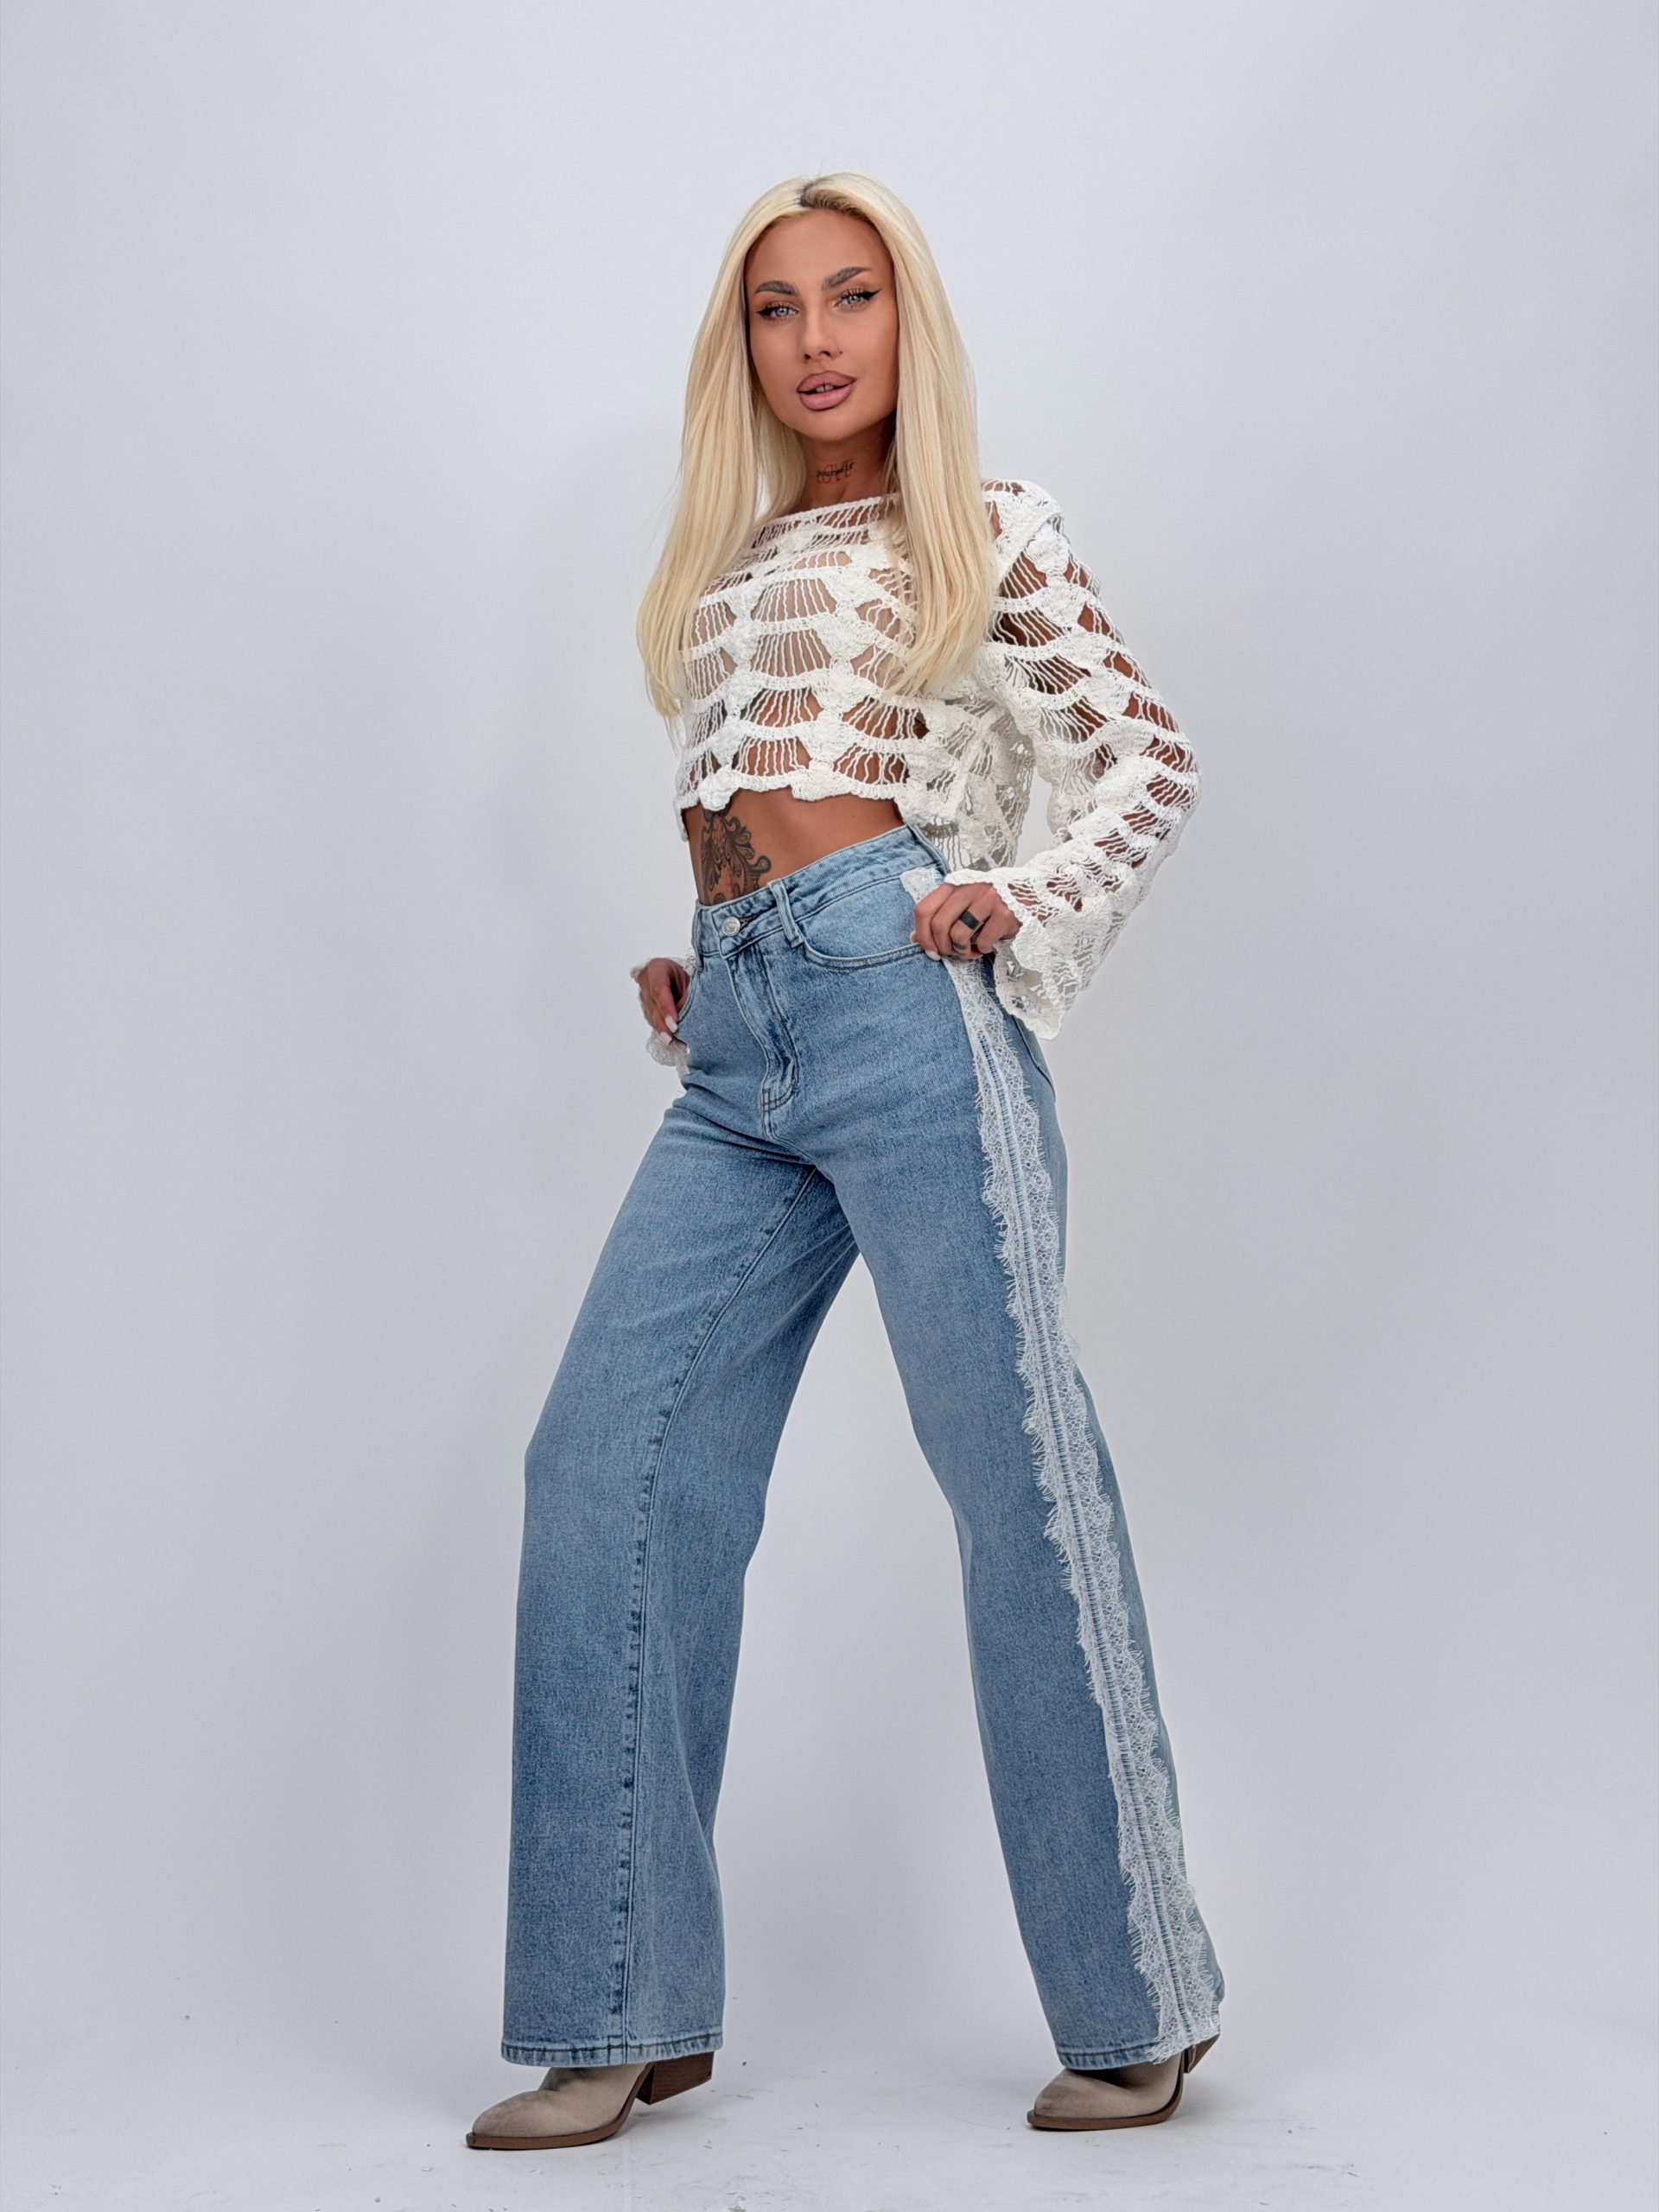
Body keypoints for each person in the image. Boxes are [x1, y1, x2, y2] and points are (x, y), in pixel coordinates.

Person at [467, 169, 1224, 2154]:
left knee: (1016, 1477)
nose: (816, 339)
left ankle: (1140, 1993)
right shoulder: (721, 571)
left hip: (909, 1008)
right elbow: (748, 815)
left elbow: (1147, 759)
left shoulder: (983, 524)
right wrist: (700, 961)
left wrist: (1010, 895)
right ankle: (618, 2001)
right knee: (606, 1462)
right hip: (739, 1045)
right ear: (742, 345)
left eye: (853, 296)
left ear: (909, 321)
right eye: (778, 306)